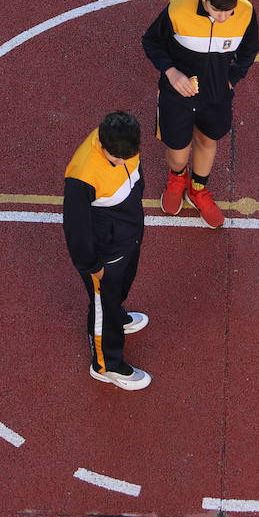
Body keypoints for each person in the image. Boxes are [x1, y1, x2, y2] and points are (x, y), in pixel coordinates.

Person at [142, 0, 259, 228]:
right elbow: (151, 41)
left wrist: (232, 79)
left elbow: (250, 49)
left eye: (229, 11)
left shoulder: (246, 12)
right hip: (177, 95)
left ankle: (197, 189)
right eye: (216, 10)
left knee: (208, 141)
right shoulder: (176, 10)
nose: (222, 18)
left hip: (217, 96)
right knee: (178, 151)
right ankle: (176, 178)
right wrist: (171, 72)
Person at [63, 111, 152, 391]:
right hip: (105, 252)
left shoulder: (122, 144)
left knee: (117, 293)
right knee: (103, 304)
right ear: (102, 146)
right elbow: (75, 229)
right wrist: (92, 266)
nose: (123, 162)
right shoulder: (82, 177)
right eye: (117, 159)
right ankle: (106, 365)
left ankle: (116, 314)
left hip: (127, 237)